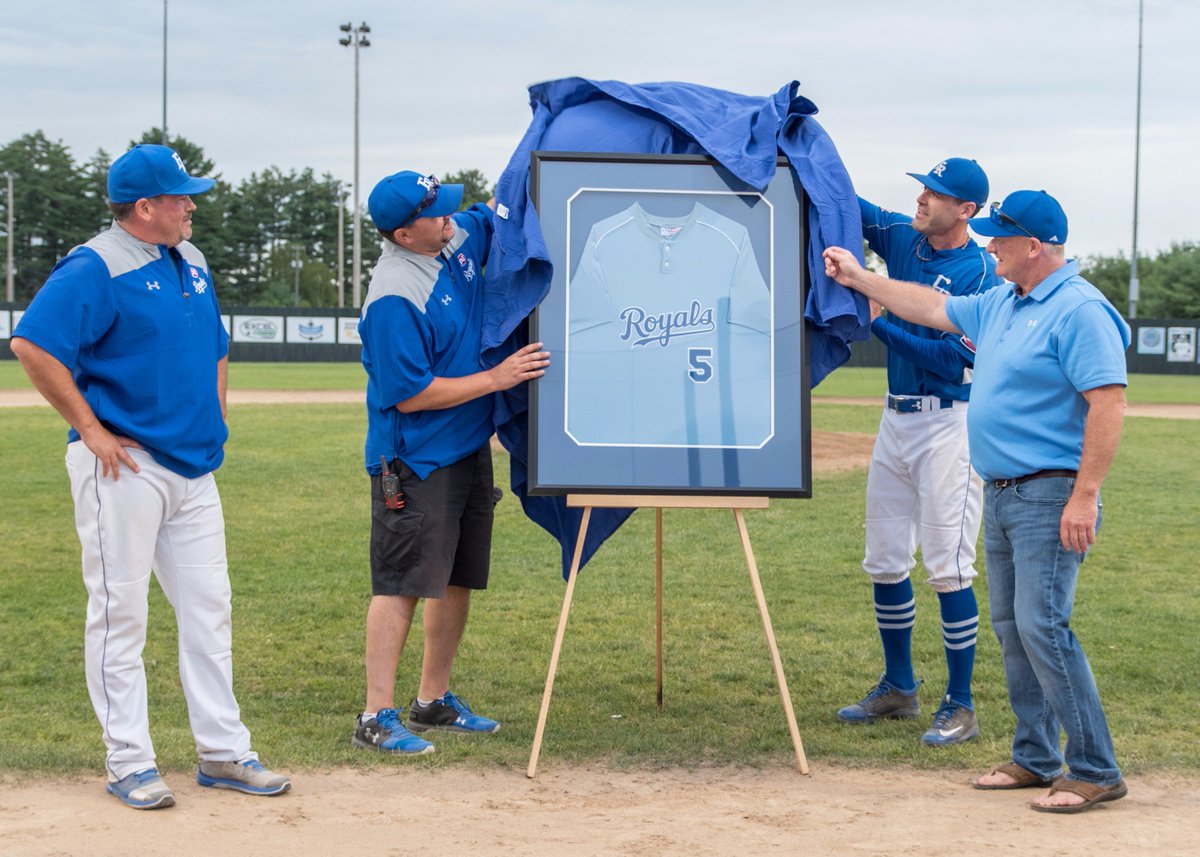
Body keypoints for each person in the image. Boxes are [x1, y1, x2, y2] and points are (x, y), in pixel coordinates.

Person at [823, 189, 1130, 813]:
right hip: (1004, 489)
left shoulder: (1079, 309)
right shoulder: (1004, 301)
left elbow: (1109, 403)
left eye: (1001, 238)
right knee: (1013, 630)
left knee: (1044, 628)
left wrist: (1084, 497)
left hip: (1051, 493)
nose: (990, 245)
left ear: (1034, 247)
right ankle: (1035, 756)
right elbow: (934, 307)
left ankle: (1095, 768)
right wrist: (861, 278)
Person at [10, 144, 291, 810]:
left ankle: (223, 750)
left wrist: (215, 415)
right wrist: (92, 427)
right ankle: (129, 761)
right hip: (125, 466)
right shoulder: (95, 266)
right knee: (119, 615)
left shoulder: (190, 258)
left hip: (193, 467)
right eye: (180, 196)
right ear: (145, 207)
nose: (191, 205)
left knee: (208, 611)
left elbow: (216, 345)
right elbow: (32, 344)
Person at [353, 170, 549, 755]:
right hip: (413, 460)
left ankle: (432, 700)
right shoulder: (393, 295)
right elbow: (408, 394)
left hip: (466, 446)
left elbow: (497, 213)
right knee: (402, 584)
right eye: (436, 214)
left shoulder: (452, 235)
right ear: (403, 233)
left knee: (457, 579)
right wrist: (495, 379)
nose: (450, 219)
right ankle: (375, 715)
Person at [836, 159, 999, 747]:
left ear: (967, 211)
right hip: (895, 417)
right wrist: (792, 143)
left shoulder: (983, 272)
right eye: (925, 188)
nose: (924, 199)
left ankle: (960, 703)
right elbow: (843, 198)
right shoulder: (906, 237)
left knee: (949, 567)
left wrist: (877, 322)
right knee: (882, 559)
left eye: (939, 194)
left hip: (949, 426)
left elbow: (956, 361)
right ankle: (900, 688)